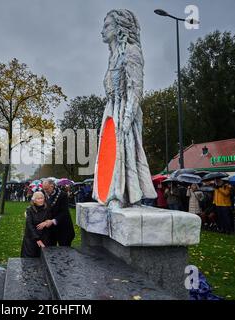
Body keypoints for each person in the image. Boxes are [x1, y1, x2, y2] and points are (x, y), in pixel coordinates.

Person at [93, 9, 157, 208]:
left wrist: (126, 120)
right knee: (109, 154)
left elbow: (135, 89)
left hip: (124, 112)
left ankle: (120, 195)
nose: (102, 31)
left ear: (119, 28)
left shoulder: (131, 51)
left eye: (107, 26)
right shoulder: (113, 56)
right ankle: (109, 193)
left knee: (124, 153)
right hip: (111, 111)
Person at [41, 179, 75, 246]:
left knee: (64, 252)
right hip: (50, 230)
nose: (45, 191)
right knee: (50, 251)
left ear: (52, 186)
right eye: (44, 189)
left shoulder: (63, 195)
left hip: (63, 228)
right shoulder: (44, 193)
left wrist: (52, 221)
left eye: (46, 189)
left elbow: (64, 212)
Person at [21, 191, 52, 258]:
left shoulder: (47, 208)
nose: (41, 200)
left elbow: (50, 220)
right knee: (30, 260)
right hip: (31, 239)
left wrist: (46, 222)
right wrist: (37, 239)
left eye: (42, 198)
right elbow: (29, 226)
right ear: (34, 201)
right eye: (38, 199)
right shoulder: (29, 210)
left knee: (43, 259)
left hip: (44, 237)